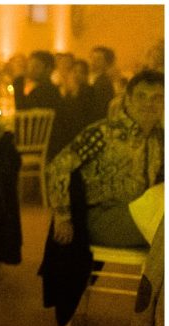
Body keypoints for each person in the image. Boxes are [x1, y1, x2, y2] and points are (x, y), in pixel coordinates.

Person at [48, 69, 164, 249]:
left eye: (157, 97)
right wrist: (62, 217)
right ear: (129, 99)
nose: (149, 103)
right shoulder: (104, 132)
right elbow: (58, 167)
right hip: (102, 218)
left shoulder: (160, 138)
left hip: (142, 212)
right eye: (141, 96)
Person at [13, 50, 64, 159]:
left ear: (49, 70)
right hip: (42, 144)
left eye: (36, 67)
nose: (30, 70)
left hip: (35, 146)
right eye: (30, 66)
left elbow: (21, 112)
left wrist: (18, 81)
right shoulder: (48, 89)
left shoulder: (46, 91)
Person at [89, 46, 116, 120]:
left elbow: (99, 109)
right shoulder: (89, 77)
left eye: (98, 59)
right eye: (92, 57)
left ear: (107, 63)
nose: (93, 61)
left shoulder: (105, 82)